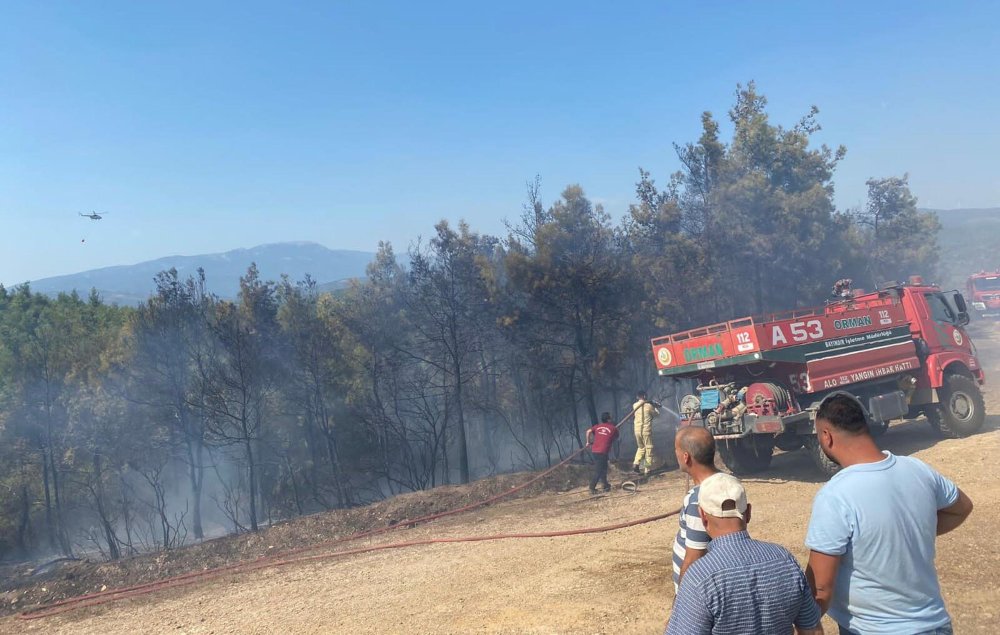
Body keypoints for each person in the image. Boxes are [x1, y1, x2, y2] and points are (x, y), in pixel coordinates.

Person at [805, 393, 974, 635]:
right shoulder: (918, 469)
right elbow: (962, 508)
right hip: (935, 625)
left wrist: (801, 624)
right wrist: (910, 533)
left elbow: (821, 587)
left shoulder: (835, 495)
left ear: (826, 436)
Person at [666, 473, 823, 635]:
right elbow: (813, 631)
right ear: (748, 512)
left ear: (703, 517)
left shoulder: (699, 577)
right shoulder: (785, 560)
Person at [671, 426, 718, 591]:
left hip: (696, 594)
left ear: (686, 457)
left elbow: (694, 558)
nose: (675, 454)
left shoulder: (698, 499)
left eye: (676, 449)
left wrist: (682, 602)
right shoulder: (726, 482)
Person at [585, 412, 619, 494]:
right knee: (599, 470)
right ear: (608, 419)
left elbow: (588, 431)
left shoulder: (598, 426)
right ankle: (592, 488)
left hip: (595, 450)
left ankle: (605, 485)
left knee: (603, 468)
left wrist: (588, 442)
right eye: (610, 418)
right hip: (602, 451)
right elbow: (616, 437)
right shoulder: (613, 428)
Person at [632, 390, 660, 474]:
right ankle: (647, 469)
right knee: (649, 449)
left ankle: (636, 463)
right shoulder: (648, 406)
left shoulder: (634, 405)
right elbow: (657, 415)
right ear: (644, 396)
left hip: (637, 430)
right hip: (646, 431)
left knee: (641, 448)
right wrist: (655, 407)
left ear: (637, 397)